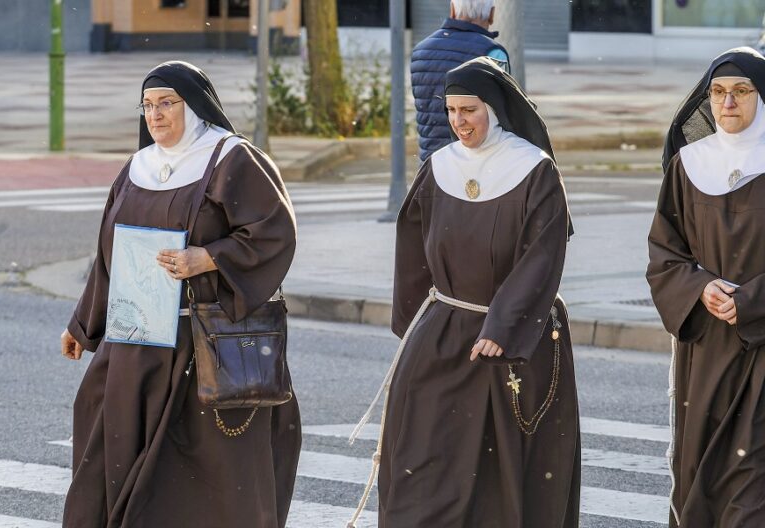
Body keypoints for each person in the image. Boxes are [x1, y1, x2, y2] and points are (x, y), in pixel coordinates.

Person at [59, 61, 300, 528]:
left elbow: (274, 233)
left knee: (200, 468)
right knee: (106, 436)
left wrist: (207, 258)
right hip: (136, 340)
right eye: (147, 106)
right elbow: (112, 252)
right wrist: (84, 325)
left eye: (166, 103)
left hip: (202, 341)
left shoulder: (230, 158)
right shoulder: (137, 168)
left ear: (193, 106)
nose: (155, 115)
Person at [351, 57, 580, 528]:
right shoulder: (440, 167)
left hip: (514, 340)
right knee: (423, 453)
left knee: (503, 467)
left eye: (469, 110)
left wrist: (504, 326)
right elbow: (413, 250)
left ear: (493, 109)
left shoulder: (533, 169)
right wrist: (415, 325)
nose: (458, 121)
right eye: (452, 110)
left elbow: (543, 254)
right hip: (445, 330)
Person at [648, 46, 765, 527]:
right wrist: (697, 288)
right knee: (703, 475)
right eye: (717, 92)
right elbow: (664, 250)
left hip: (761, 348)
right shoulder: (688, 165)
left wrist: (753, 300)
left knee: (751, 476)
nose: (727, 103)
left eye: (741, 92)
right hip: (707, 349)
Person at [410, 0, 510, 162]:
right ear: (491, 15)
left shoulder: (421, 50)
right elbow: (502, 113)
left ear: (452, 11)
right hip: (478, 162)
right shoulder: (492, 52)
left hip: (431, 162)